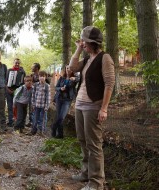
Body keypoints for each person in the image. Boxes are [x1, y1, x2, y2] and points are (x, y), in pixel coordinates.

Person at [69, 26, 115, 190]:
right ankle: (86, 173)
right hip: (80, 105)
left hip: (93, 106)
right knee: (82, 139)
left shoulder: (104, 58)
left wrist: (104, 109)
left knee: (94, 144)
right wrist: (77, 50)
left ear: (93, 43)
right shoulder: (88, 59)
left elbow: (109, 84)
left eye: (85, 42)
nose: (83, 44)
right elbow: (72, 68)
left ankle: (96, 183)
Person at [51, 65, 79, 139]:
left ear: (72, 70)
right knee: (58, 116)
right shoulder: (62, 78)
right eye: (67, 68)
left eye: (70, 68)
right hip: (59, 99)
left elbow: (80, 78)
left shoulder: (74, 79)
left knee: (61, 117)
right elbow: (56, 87)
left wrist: (75, 78)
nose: (68, 70)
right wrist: (61, 88)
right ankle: (60, 135)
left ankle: (53, 127)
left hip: (67, 100)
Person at [6, 58, 26, 127]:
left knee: (17, 107)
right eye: (16, 63)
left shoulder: (22, 72)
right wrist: (7, 89)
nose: (17, 64)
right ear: (13, 63)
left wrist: (17, 91)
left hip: (18, 92)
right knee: (10, 106)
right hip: (9, 91)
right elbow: (5, 81)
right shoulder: (9, 70)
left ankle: (17, 121)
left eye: (18, 63)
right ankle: (11, 121)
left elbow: (23, 83)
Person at [30, 70, 51, 136]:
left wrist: (47, 106)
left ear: (45, 77)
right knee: (35, 118)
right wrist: (33, 104)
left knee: (43, 119)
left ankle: (42, 131)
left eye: (43, 76)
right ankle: (33, 130)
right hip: (36, 105)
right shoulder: (36, 85)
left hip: (43, 106)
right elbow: (33, 95)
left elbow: (48, 97)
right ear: (38, 77)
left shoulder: (47, 86)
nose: (41, 77)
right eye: (40, 76)